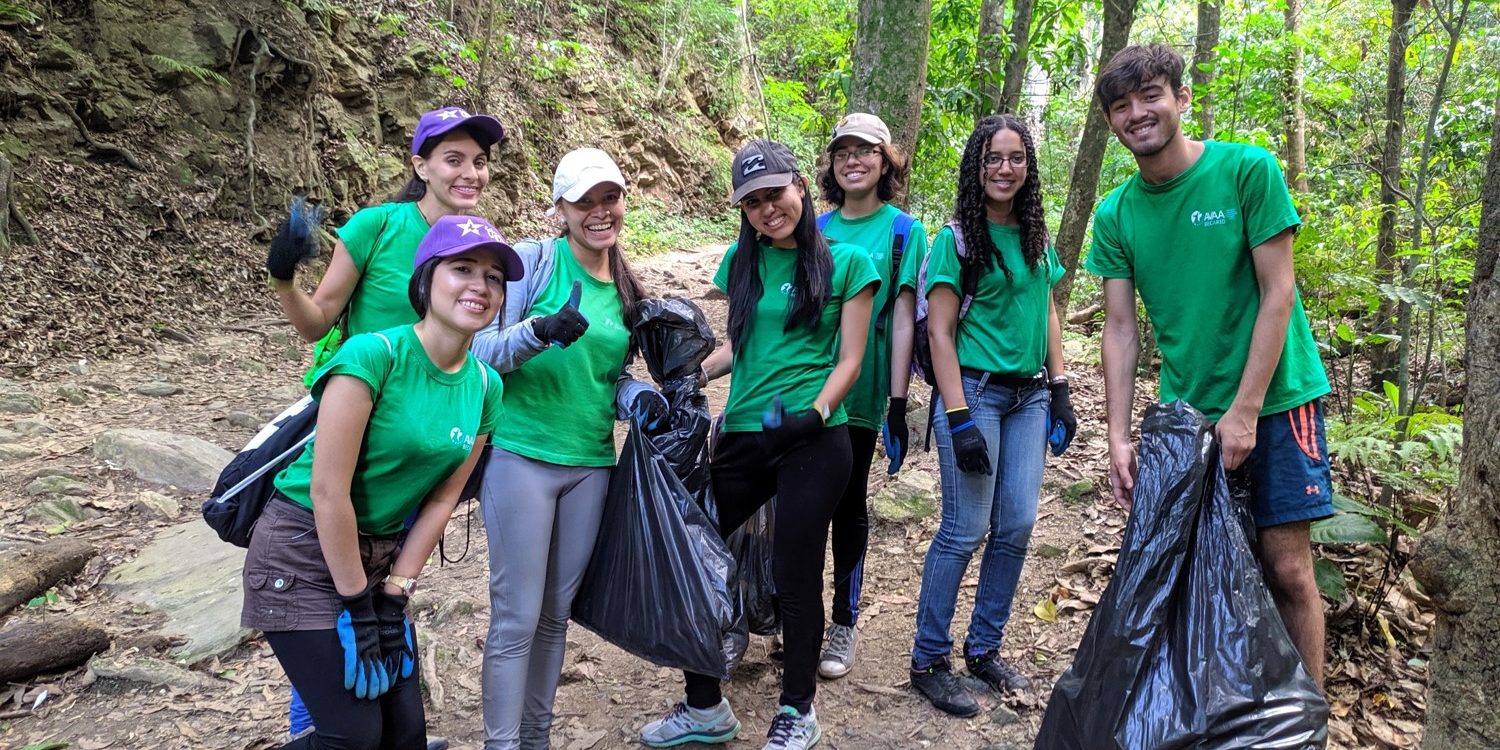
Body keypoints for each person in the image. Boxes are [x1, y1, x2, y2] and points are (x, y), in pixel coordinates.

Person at [1085, 43, 1333, 686]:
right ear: (1111, 122)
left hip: (1278, 398)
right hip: (1187, 412)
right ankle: (1233, 710)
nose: (1138, 114)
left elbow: (1280, 291)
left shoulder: (1247, 171)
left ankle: (1308, 720)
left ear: (1181, 97)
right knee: (1207, 569)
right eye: (1121, 106)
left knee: (1286, 569)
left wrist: (1246, 411)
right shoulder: (1115, 214)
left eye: (1150, 96)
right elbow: (1119, 327)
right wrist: (1117, 436)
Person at [240, 214, 520, 750]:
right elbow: (327, 490)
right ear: (425, 280)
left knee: (406, 735)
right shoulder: (374, 355)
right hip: (300, 554)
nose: (480, 287)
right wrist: (355, 602)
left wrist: (394, 596)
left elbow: (444, 498)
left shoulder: (485, 385)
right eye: (463, 269)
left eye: (493, 277)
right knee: (353, 737)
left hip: (377, 562)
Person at [639, 140, 878, 750]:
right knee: (697, 557)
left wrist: (816, 414)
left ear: (800, 185)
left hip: (814, 439)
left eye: (776, 194)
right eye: (753, 202)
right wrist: (687, 379)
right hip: (744, 433)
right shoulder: (739, 265)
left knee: (795, 571)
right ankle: (704, 707)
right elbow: (736, 347)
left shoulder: (848, 263)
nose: (768, 209)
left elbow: (851, 359)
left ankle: (798, 709)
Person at [471, 148, 666, 750]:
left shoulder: (628, 288)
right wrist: (537, 331)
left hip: (590, 466)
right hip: (522, 455)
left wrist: (637, 399)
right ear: (561, 208)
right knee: (516, 617)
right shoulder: (535, 264)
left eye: (609, 198)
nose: (599, 212)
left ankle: (536, 739)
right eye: (584, 201)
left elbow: (605, 382)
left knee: (556, 617)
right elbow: (476, 353)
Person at [907, 115, 1076, 717]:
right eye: (992, 159)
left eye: (1016, 158)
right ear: (976, 168)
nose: (1005, 169)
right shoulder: (955, 240)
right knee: (965, 528)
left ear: (1029, 167)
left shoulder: (1035, 237)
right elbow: (943, 333)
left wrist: (1060, 388)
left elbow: (1049, 312)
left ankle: (984, 648)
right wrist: (956, 416)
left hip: (1029, 396)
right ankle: (929, 658)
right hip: (974, 394)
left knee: (1018, 525)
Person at [267, 106, 505, 384]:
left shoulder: (484, 244)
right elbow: (316, 325)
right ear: (421, 167)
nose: (471, 174)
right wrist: (283, 278)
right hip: (366, 396)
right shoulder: (376, 227)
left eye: (479, 162)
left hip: (438, 403)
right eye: (454, 161)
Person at [812, 112, 927, 680]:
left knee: (847, 503)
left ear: (886, 161)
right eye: (843, 152)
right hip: (804, 385)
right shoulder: (812, 227)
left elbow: (904, 318)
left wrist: (897, 403)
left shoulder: (904, 231)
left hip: (861, 391)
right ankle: (799, 614)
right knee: (798, 504)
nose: (853, 160)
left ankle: (843, 622)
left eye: (866, 151)